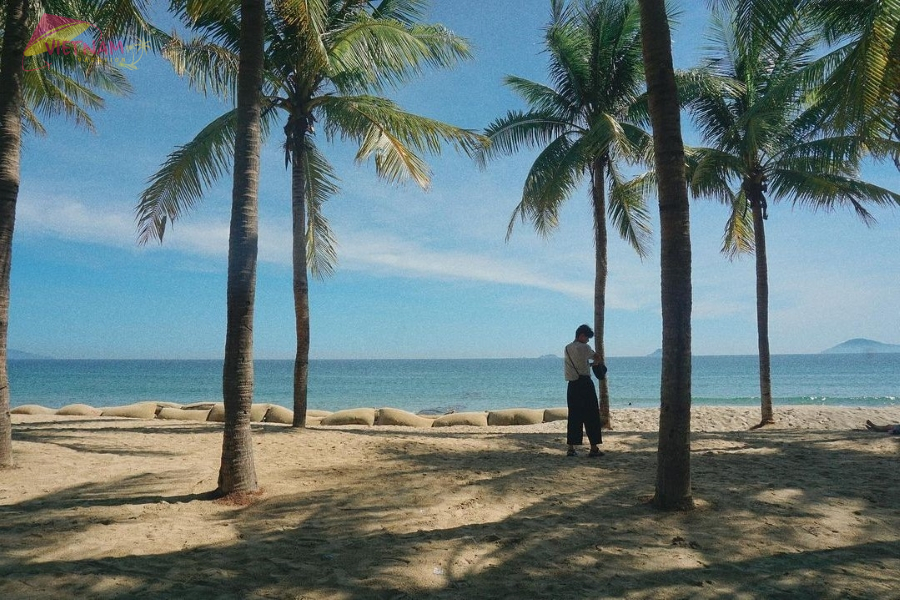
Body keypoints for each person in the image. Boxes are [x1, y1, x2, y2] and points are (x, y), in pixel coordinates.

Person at [563, 324, 604, 457]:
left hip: (572, 385)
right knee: (591, 415)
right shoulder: (585, 347)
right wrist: (595, 364)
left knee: (574, 416)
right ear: (581, 335)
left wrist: (587, 364)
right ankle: (593, 448)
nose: (587, 341)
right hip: (585, 384)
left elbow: (578, 363)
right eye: (587, 338)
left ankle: (571, 448)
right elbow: (597, 357)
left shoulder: (567, 348)